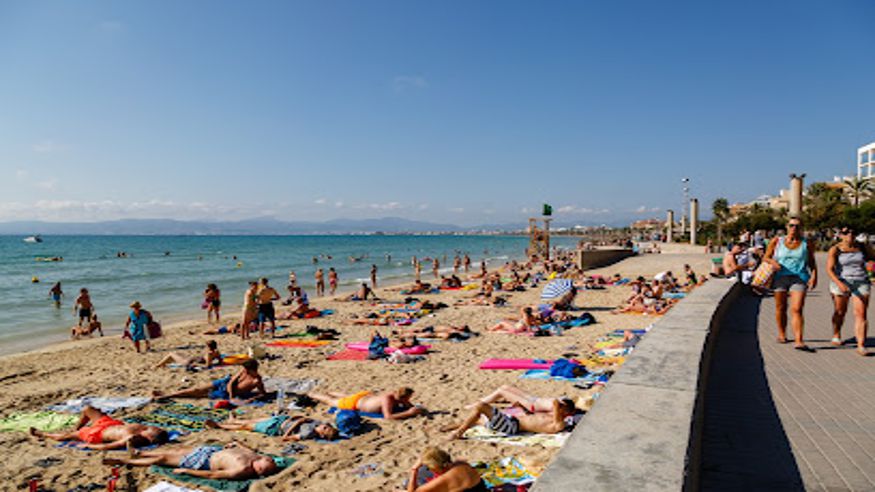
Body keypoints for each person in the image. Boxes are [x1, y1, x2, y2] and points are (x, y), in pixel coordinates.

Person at [763, 218, 818, 351]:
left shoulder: (806, 243)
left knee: (797, 308)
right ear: (787, 227)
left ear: (801, 228)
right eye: (791, 225)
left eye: (797, 226)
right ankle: (782, 334)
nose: (794, 228)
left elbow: (811, 261)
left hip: (799, 278)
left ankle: (799, 340)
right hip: (780, 277)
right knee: (780, 307)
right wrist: (773, 263)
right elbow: (766, 257)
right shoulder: (777, 241)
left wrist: (814, 276)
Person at [100, 441, 279, 480]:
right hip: (212, 450)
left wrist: (187, 471)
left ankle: (124, 462)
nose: (262, 468)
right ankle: (139, 454)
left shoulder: (243, 469)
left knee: (163, 459)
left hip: (203, 462)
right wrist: (236, 443)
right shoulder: (257, 456)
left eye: (263, 470)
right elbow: (249, 449)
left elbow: (213, 474)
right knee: (175, 450)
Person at [30, 405, 168, 450]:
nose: (156, 427)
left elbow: (109, 446)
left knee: (66, 437)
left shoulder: (134, 438)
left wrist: (89, 447)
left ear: (150, 437)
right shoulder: (145, 428)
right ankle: (76, 428)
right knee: (88, 409)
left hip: (97, 434)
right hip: (109, 423)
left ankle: (42, 434)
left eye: (156, 429)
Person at [826, 226, 873, 356]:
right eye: (846, 233)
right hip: (842, 282)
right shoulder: (835, 249)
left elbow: (872, 260)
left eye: (853, 232)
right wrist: (839, 283)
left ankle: (861, 345)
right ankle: (836, 333)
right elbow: (829, 269)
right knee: (840, 311)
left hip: (861, 281)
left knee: (861, 313)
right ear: (840, 235)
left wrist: (871, 273)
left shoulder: (863, 247)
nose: (850, 235)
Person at [442, 398, 575, 440]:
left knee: (481, 406)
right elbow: (532, 419)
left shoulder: (559, 424)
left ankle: (459, 432)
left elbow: (555, 403)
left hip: (510, 426)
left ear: (565, 411)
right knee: (478, 418)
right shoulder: (551, 416)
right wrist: (523, 409)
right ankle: (456, 426)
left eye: (562, 407)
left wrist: (561, 402)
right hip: (510, 421)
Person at [153, 359, 267, 403]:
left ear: (253, 370)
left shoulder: (257, 381)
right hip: (225, 383)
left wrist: (252, 399)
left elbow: (263, 394)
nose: (244, 371)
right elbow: (232, 381)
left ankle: (168, 396)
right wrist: (232, 396)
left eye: (247, 370)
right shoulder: (244, 371)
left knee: (199, 395)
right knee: (196, 389)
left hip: (224, 393)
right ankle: (167, 395)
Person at [308, 387, 426, 420]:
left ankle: (330, 391)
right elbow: (388, 416)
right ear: (402, 398)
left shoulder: (397, 395)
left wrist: (411, 407)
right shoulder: (388, 399)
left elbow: (407, 404)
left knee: (348, 396)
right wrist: (409, 413)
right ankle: (312, 394)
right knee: (330, 401)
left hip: (363, 397)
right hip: (354, 403)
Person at [405, 447, 487, 492]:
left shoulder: (442, 480)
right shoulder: (461, 464)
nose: (428, 469)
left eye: (428, 468)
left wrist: (414, 469)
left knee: (408, 483)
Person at [205, 415, 339, 441]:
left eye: (326, 429)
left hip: (275, 427)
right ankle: (233, 420)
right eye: (327, 426)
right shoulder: (317, 423)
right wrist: (298, 419)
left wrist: (291, 427)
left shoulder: (309, 433)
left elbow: (286, 438)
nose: (325, 426)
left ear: (322, 435)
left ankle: (219, 426)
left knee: (246, 427)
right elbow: (305, 418)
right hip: (281, 419)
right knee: (251, 420)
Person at [467, 385, 575, 414]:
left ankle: (477, 404)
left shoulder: (557, 407)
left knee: (502, 392)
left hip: (529, 405)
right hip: (533, 399)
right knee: (504, 387)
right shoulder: (562, 403)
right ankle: (482, 400)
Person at [155, 340, 223, 369]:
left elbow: (208, 366)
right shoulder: (217, 352)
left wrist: (196, 364)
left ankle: (158, 365)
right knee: (177, 353)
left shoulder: (209, 354)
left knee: (171, 354)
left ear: (208, 347)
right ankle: (162, 364)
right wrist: (217, 364)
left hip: (188, 362)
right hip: (191, 359)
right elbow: (220, 361)